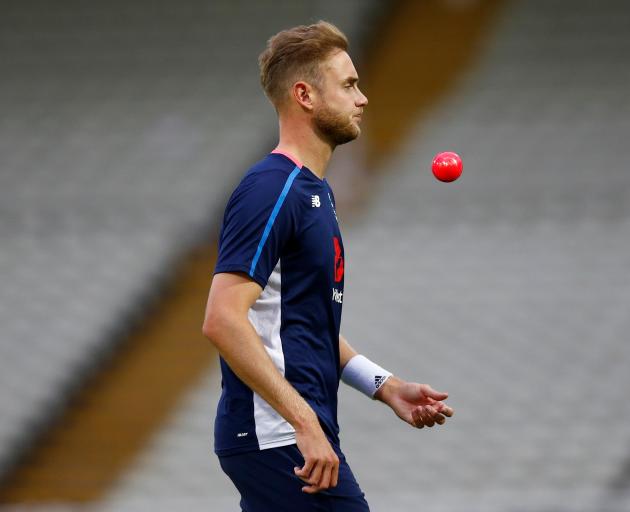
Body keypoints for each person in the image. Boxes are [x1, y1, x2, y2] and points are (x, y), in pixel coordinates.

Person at [202, 20, 453, 512]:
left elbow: (304, 318)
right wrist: (303, 423)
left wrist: (384, 386)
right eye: (349, 85)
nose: (362, 99)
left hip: (284, 433)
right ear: (305, 95)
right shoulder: (272, 189)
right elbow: (222, 319)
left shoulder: (313, 192)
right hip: (276, 437)